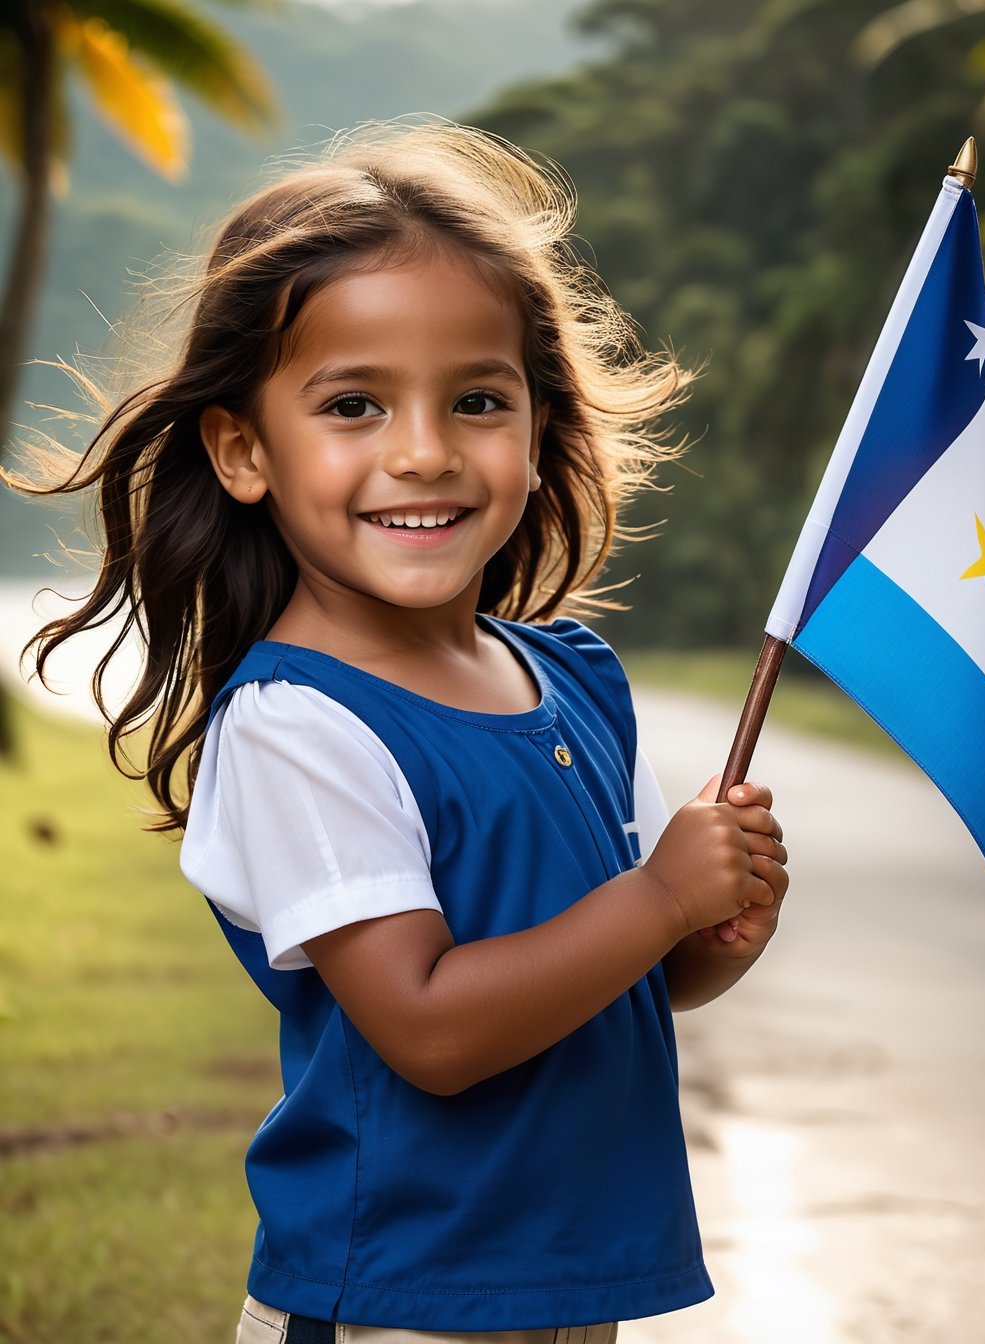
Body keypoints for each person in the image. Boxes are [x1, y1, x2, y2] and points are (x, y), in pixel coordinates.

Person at [16, 121, 789, 1344]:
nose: (423, 452)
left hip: (565, 1285)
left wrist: (711, 926)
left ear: (538, 433)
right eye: (355, 405)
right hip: (400, 1299)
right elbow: (429, 1027)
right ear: (244, 449)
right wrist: (655, 900)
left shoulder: (571, 675)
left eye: (478, 399)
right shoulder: (300, 728)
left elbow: (613, 981)